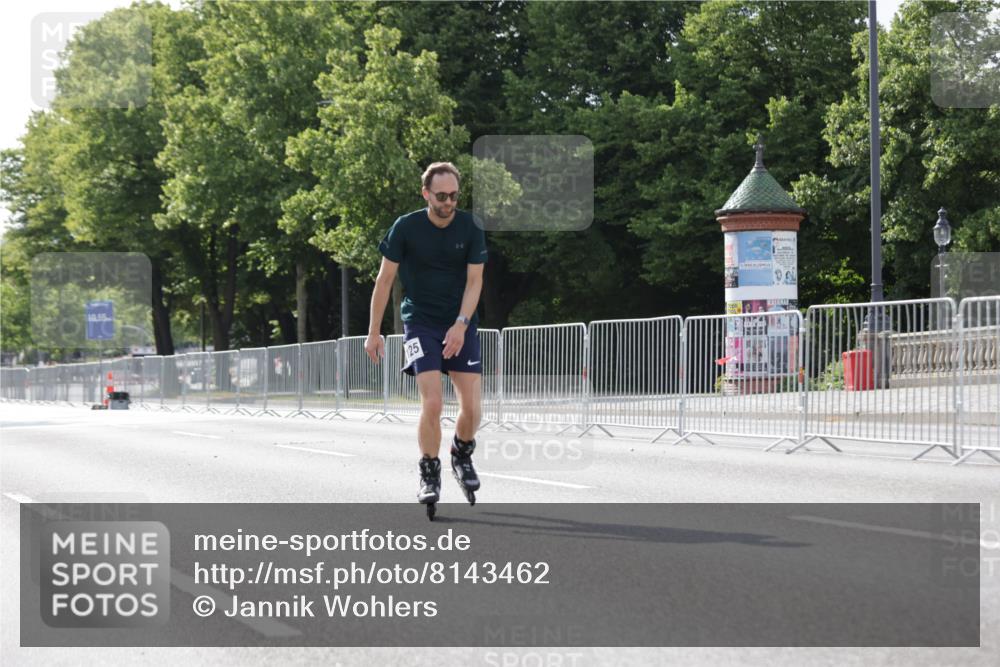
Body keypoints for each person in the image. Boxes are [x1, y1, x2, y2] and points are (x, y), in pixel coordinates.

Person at [365, 162, 487, 510]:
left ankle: (461, 453)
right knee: (433, 402)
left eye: (454, 196)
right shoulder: (406, 227)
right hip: (420, 322)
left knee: (473, 408)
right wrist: (373, 332)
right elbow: (384, 280)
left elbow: (475, 280)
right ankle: (429, 471)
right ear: (426, 194)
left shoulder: (470, 226)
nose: (448, 202)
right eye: (441, 196)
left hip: (460, 322)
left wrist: (461, 324)